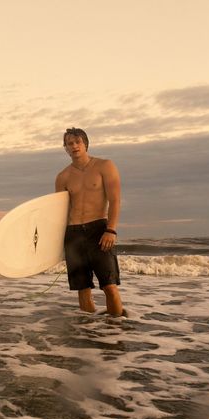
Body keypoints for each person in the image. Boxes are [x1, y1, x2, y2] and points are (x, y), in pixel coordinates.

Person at [55, 127, 124, 317]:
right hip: (73, 233)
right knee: (82, 288)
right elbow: (59, 212)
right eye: (70, 143)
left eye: (77, 142)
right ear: (66, 148)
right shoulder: (63, 177)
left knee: (109, 285)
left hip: (99, 230)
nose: (74, 146)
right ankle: (92, 335)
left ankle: (116, 331)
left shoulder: (104, 166)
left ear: (85, 144)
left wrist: (111, 230)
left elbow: (115, 200)